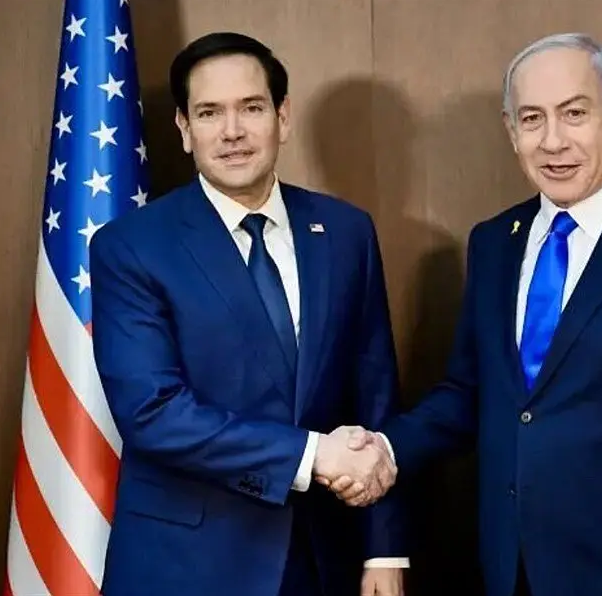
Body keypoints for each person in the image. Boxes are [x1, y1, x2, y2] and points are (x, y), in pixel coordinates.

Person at [325, 33, 602, 596]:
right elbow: (469, 393)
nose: (553, 141)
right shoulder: (494, 242)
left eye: (574, 113)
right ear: (511, 131)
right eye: (532, 119)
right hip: (509, 569)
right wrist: (386, 449)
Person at [90, 32, 407, 596]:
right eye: (210, 112)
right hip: (187, 567)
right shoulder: (131, 247)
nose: (232, 131)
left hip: (322, 559)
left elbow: (374, 395)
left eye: (251, 108)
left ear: (282, 117)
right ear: (184, 129)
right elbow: (153, 412)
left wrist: (384, 548)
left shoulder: (346, 231)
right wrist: (314, 454)